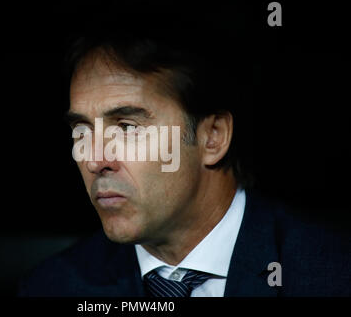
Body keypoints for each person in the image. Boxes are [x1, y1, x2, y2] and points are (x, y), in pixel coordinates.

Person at [18, 26, 350, 297]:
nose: (94, 159)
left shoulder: (332, 275)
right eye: (81, 130)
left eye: (128, 128)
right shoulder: (52, 287)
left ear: (213, 136)